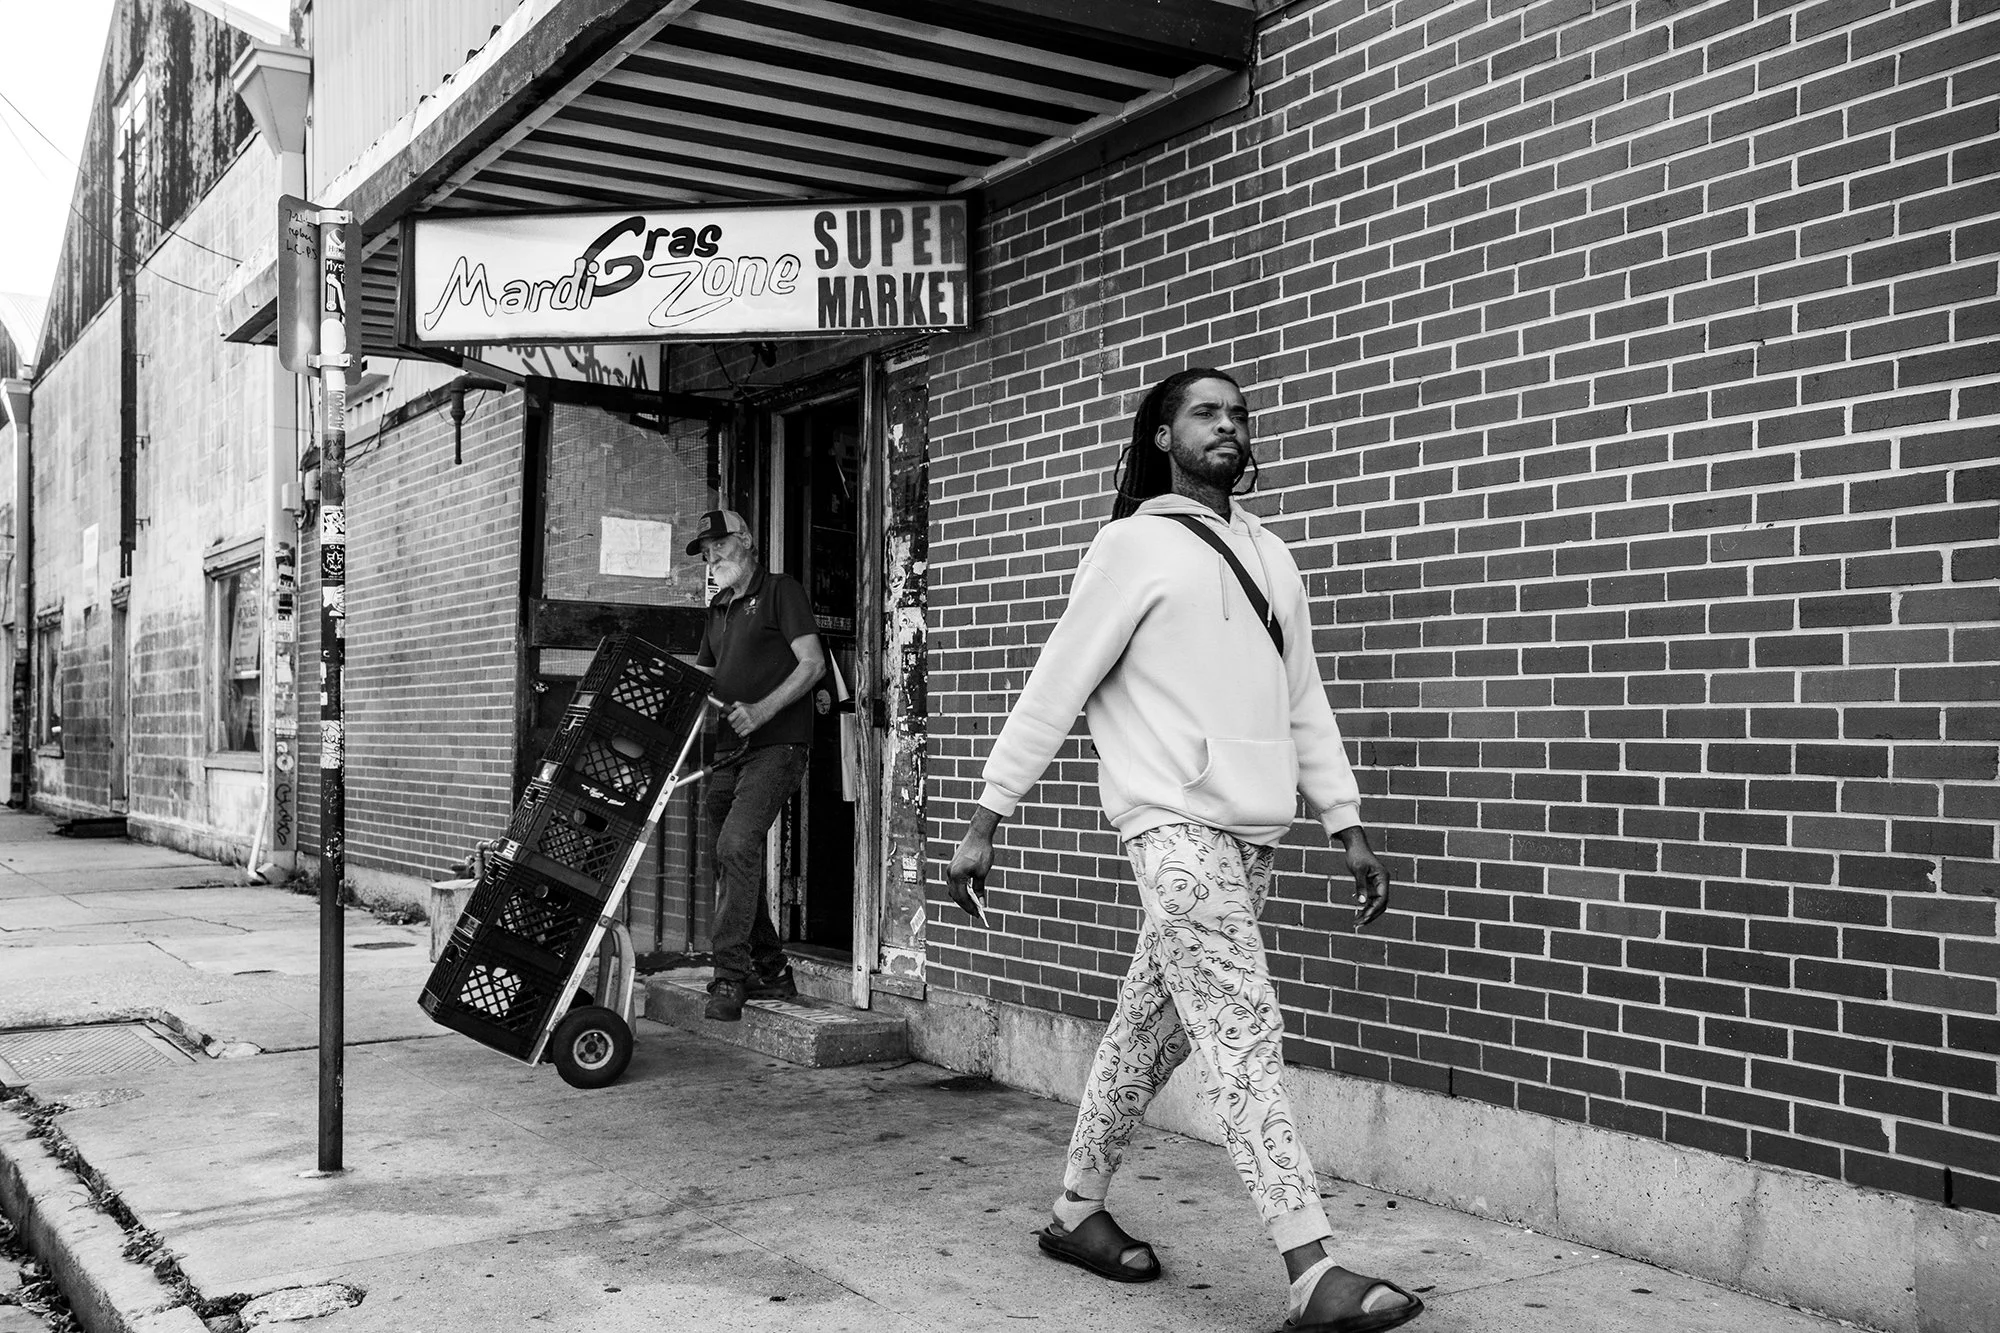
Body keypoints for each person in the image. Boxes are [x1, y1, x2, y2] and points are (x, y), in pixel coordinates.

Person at [946, 370, 1423, 1333]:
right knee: (1243, 1032)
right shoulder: (1130, 548)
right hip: (1170, 828)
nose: (1230, 426)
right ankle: (1310, 1263)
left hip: (1254, 837)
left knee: (1147, 1032)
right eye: (1208, 412)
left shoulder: (1271, 555)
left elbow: (1304, 702)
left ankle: (1074, 1210)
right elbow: (1058, 679)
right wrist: (989, 811)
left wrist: (1346, 822)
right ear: (1162, 435)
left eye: (1239, 414)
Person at [689, 508, 825, 1022]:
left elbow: (811, 664)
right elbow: (699, 680)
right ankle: (771, 967)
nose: (711, 556)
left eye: (718, 545)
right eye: (705, 550)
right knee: (726, 857)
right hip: (728, 751)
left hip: (779, 746)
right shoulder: (718, 607)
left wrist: (764, 708)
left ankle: (731, 974)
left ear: (745, 541)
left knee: (737, 843)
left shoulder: (780, 591)